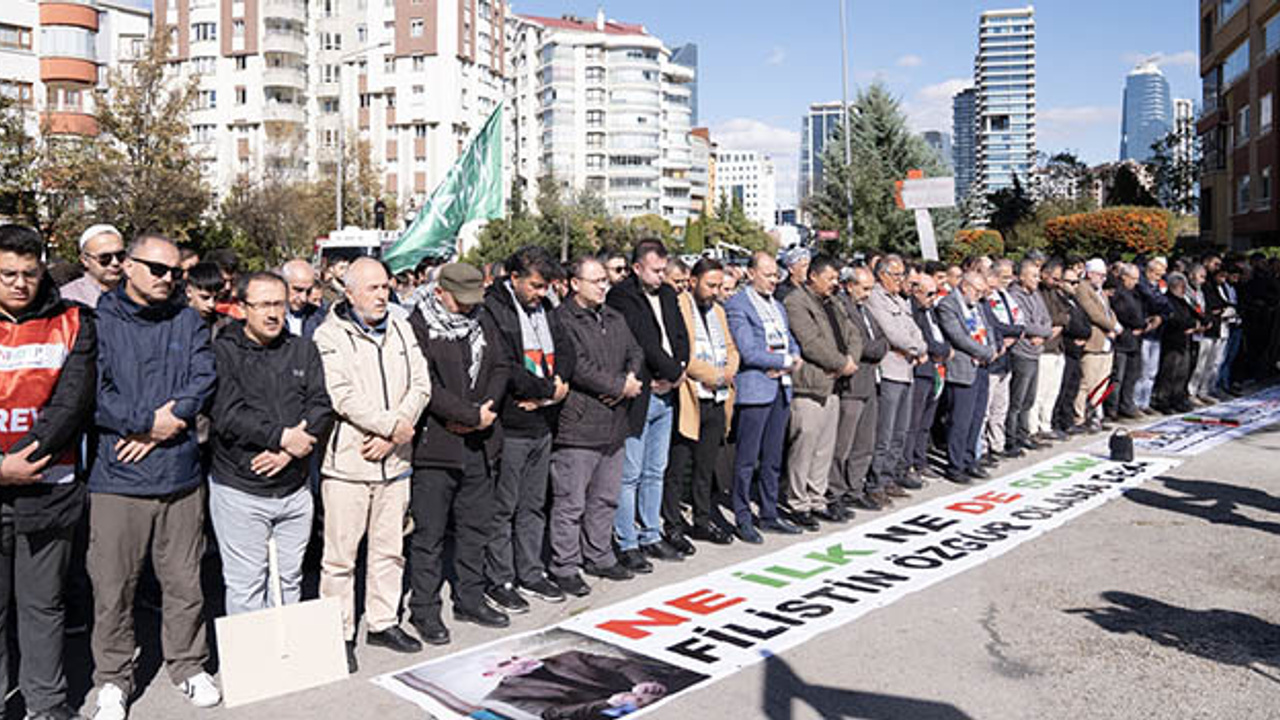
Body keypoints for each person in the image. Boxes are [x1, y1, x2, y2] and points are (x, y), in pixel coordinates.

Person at [87, 233, 220, 720]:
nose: (168, 279)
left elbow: (203, 378)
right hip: (119, 476)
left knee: (185, 582)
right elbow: (94, 392)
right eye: (157, 270)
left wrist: (168, 424)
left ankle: (188, 665)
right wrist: (146, 423)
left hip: (181, 472)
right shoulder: (98, 320)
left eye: (175, 272)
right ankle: (113, 679)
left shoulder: (188, 319)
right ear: (128, 267)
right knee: (113, 588)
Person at [313, 257, 431, 673]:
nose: (383, 295)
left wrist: (399, 428)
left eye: (386, 287)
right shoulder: (329, 335)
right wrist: (388, 427)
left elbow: (421, 382)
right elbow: (340, 394)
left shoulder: (401, 327)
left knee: (390, 549)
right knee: (340, 557)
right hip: (350, 463)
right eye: (373, 289)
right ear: (349, 292)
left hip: (396, 460)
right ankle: (339, 631)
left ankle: (382, 621)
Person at [0, 225, 97, 720]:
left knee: (43, 607)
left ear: (43, 271)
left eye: (29, 273)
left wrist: (22, 463)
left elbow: (70, 405)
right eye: (8, 274)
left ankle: (47, 703)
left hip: (48, 489)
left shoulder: (74, 321)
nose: (20, 283)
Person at [208, 272, 332, 615]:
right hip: (241, 490)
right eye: (263, 304)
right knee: (246, 584)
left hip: (294, 488)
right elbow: (228, 414)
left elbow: (321, 405)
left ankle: (286, 661)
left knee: (289, 581)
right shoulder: (223, 351)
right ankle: (251, 666)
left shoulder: (302, 349)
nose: (272, 313)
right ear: (243, 307)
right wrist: (280, 437)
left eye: (278, 303)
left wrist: (288, 450)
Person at [407, 263, 510, 644]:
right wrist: (465, 415)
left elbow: (501, 365)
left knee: (475, 527)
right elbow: (424, 383)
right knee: (430, 535)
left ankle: (470, 597)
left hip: (480, 442)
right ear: (440, 293)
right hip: (437, 447)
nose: (468, 308)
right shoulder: (418, 326)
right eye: (460, 301)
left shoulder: (483, 320)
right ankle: (425, 610)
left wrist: (485, 411)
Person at [479, 246, 570, 614]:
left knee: (533, 505)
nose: (540, 293)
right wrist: (547, 390)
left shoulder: (547, 307)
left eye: (545, 286)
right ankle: (499, 578)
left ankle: (531, 571)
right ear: (513, 278)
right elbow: (506, 366)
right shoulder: (494, 310)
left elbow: (565, 349)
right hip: (511, 424)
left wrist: (555, 390)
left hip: (542, 422)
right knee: (503, 507)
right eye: (534, 285)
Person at [548, 257, 644, 596]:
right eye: (596, 281)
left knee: (605, 498)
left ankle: (599, 554)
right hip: (579, 424)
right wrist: (618, 386)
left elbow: (636, 351)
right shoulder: (562, 319)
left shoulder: (614, 316)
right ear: (575, 284)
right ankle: (565, 565)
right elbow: (578, 367)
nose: (604, 286)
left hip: (614, 424)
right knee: (571, 502)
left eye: (605, 280)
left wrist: (628, 380)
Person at [606, 240, 690, 569]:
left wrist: (679, 371)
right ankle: (627, 540)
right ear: (637, 268)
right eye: (655, 270)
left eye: (663, 270)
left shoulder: (669, 294)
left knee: (656, 470)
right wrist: (669, 372)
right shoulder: (623, 297)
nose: (661, 276)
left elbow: (680, 336)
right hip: (642, 393)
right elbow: (645, 343)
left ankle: (651, 534)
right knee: (630, 474)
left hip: (668, 391)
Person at [724, 252, 802, 544]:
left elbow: (790, 340)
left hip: (781, 386)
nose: (773, 280)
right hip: (756, 390)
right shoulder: (738, 305)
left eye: (775, 276)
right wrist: (784, 359)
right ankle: (742, 515)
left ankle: (769, 512)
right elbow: (747, 349)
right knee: (747, 459)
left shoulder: (777, 306)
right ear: (751, 273)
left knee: (773, 457)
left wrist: (792, 357)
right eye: (768, 275)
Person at [783, 255, 860, 528]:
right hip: (811, 384)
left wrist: (850, 361)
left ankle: (817, 499)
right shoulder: (795, 302)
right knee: (805, 446)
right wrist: (841, 363)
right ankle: (797, 502)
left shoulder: (834, 302)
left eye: (837, 279)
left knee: (824, 449)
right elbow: (810, 342)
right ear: (813, 276)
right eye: (830, 278)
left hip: (835, 383)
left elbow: (853, 333)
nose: (835, 284)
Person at [666, 258, 739, 546]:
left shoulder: (718, 311)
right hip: (690, 396)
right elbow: (682, 353)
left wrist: (728, 370)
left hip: (717, 396)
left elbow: (731, 347)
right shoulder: (678, 306)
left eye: (720, 286)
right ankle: (672, 524)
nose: (716, 291)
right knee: (678, 466)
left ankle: (702, 519)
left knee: (705, 466)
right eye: (711, 285)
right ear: (693, 281)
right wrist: (713, 375)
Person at [865, 255, 927, 494]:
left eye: (902, 274)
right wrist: (916, 348)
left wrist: (919, 348)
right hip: (890, 371)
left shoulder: (900, 300)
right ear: (882, 275)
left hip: (907, 369)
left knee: (901, 430)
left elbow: (914, 330)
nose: (901, 279)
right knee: (885, 432)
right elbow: (892, 334)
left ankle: (889, 477)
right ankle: (876, 481)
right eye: (896, 275)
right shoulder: (876, 298)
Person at [831, 266, 889, 512]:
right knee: (843, 443)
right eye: (864, 288)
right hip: (852, 384)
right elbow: (857, 344)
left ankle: (855, 487)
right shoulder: (841, 307)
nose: (868, 294)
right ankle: (836, 490)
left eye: (871, 288)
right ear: (850, 285)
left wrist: (878, 347)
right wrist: (876, 348)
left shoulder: (865, 309)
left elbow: (883, 339)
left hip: (870, 382)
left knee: (864, 442)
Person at [936, 272, 998, 483]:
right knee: (960, 420)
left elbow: (987, 327)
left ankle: (970, 460)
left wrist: (993, 348)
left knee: (976, 418)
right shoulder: (948, 305)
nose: (981, 296)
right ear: (965, 287)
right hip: (963, 368)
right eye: (978, 291)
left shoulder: (977, 305)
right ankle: (955, 465)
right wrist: (985, 351)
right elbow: (958, 337)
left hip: (981, 367)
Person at [905, 274, 951, 482]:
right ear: (917, 291)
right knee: (913, 422)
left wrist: (946, 349)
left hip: (937, 369)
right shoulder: (913, 310)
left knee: (926, 422)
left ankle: (920, 460)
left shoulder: (931, 310)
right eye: (930, 294)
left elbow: (942, 334)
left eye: (936, 293)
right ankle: (907, 464)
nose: (934, 298)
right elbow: (924, 340)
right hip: (921, 370)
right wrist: (940, 350)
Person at [979, 261, 1025, 462]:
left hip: (1006, 361)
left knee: (1000, 407)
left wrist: (1017, 331)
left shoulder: (1003, 297)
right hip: (991, 362)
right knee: (984, 411)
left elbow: (1016, 321)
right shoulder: (982, 303)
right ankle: (981, 448)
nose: (992, 290)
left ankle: (997, 444)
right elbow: (996, 326)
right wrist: (1016, 331)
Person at [1005, 259, 1052, 451]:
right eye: (1033, 275)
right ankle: (1011, 437)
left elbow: (1046, 320)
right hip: (1021, 352)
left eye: (1038, 275)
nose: (1037, 279)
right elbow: (1022, 323)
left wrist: (1041, 333)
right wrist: (1039, 330)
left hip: (1035, 351)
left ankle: (1023, 434)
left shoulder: (1036, 295)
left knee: (1029, 399)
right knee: (1017, 399)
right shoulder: (1014, 295)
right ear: (1022, 276)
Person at [1075, 258, 1119, 432]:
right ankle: (1080, 416)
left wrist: (1116, 325)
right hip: (1094, 341)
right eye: (1100, 275)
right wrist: (1113, 326)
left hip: (1107, 343)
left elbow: (1109, 312)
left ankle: (1095, 414)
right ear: (1091, 273)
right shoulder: (1083, 289)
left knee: (1101, 382)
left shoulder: (1100, 291)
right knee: (1086, 383)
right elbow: (1094, 314)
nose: (1103, 279)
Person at [1151, 272, 1202, 414]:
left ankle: (1178, 398)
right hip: (1171, 341)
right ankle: (1163, 400)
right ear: (1175, 287)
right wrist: (1192, 323)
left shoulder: (1182, 300)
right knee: (1169, 373)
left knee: (1182, 373)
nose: (1184, 290)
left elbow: (1194, 314)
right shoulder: (1167, 300)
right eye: (1182, 287)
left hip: (1184, 341)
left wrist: (1200, 322)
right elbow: (1174, 319)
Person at [1030, 261, 1069, 441]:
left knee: (1052, 391)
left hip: (1057, 348)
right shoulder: (1038, 293)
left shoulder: (1056, 293)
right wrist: (1056, 323)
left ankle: (1046, 424)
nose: (1057, 282)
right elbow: (1046, 318)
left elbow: (1066, 314)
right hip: (1044, 348)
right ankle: (1033, 428)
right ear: (1044, 274)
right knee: (1039, 391)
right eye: (1054, 278)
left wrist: (1059, 323)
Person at [1107, 264, 1146, 420]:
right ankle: (1112, 408)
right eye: (1133, 278)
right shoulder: (1118, 293)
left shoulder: (1135, 293)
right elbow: (1123, 314)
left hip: (1134, 341)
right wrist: (1139, 323)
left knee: (1132, 376)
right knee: (1118, 377)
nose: (1135, 282)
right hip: (1123, 340)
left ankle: (1126, 405)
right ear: (1124, 277)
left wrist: (1144, 323)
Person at [1134, 257, 1170, 413]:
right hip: (1145, 332)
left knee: (1151, 372)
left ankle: (1145, 402)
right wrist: (1161, 309)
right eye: (1157, 274)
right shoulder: (1142, 286)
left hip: (1157, 333)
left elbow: (1168, 307)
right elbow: (1155, 302)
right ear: (1149, 271)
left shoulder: (1158, 287)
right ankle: (1136, 402)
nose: (1159, 278)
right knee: (1142, 371)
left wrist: (1161, 317)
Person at [60, 224, 125, 308]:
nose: (115, 262)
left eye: (120, 255)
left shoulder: (138, 289)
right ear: (85, 261)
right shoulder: (67, 298)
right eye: (105, 257)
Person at [281, 259, 326, 338]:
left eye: (308, 291)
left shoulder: (321, 317)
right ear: (282, 284)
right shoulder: (266, 316)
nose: (304, 298)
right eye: (298, 290)